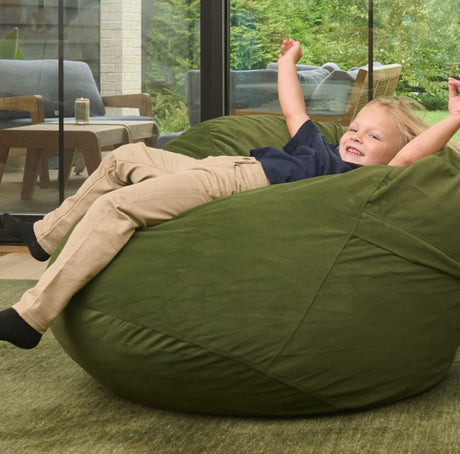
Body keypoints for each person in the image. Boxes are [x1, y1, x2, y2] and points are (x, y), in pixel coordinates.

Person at [1, 39, 460, 350]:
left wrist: (455, 117)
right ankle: (45, 235)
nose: (356, 137)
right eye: (355, 128)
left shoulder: (359, 178)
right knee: (125, 158)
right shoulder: (320, 147)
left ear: (393, 154)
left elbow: (413, 154)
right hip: (224, 165)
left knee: (116, 206)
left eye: (374, 137)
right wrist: (289, 62)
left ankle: (30, 317)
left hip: (238, 184)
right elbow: (293, 109)